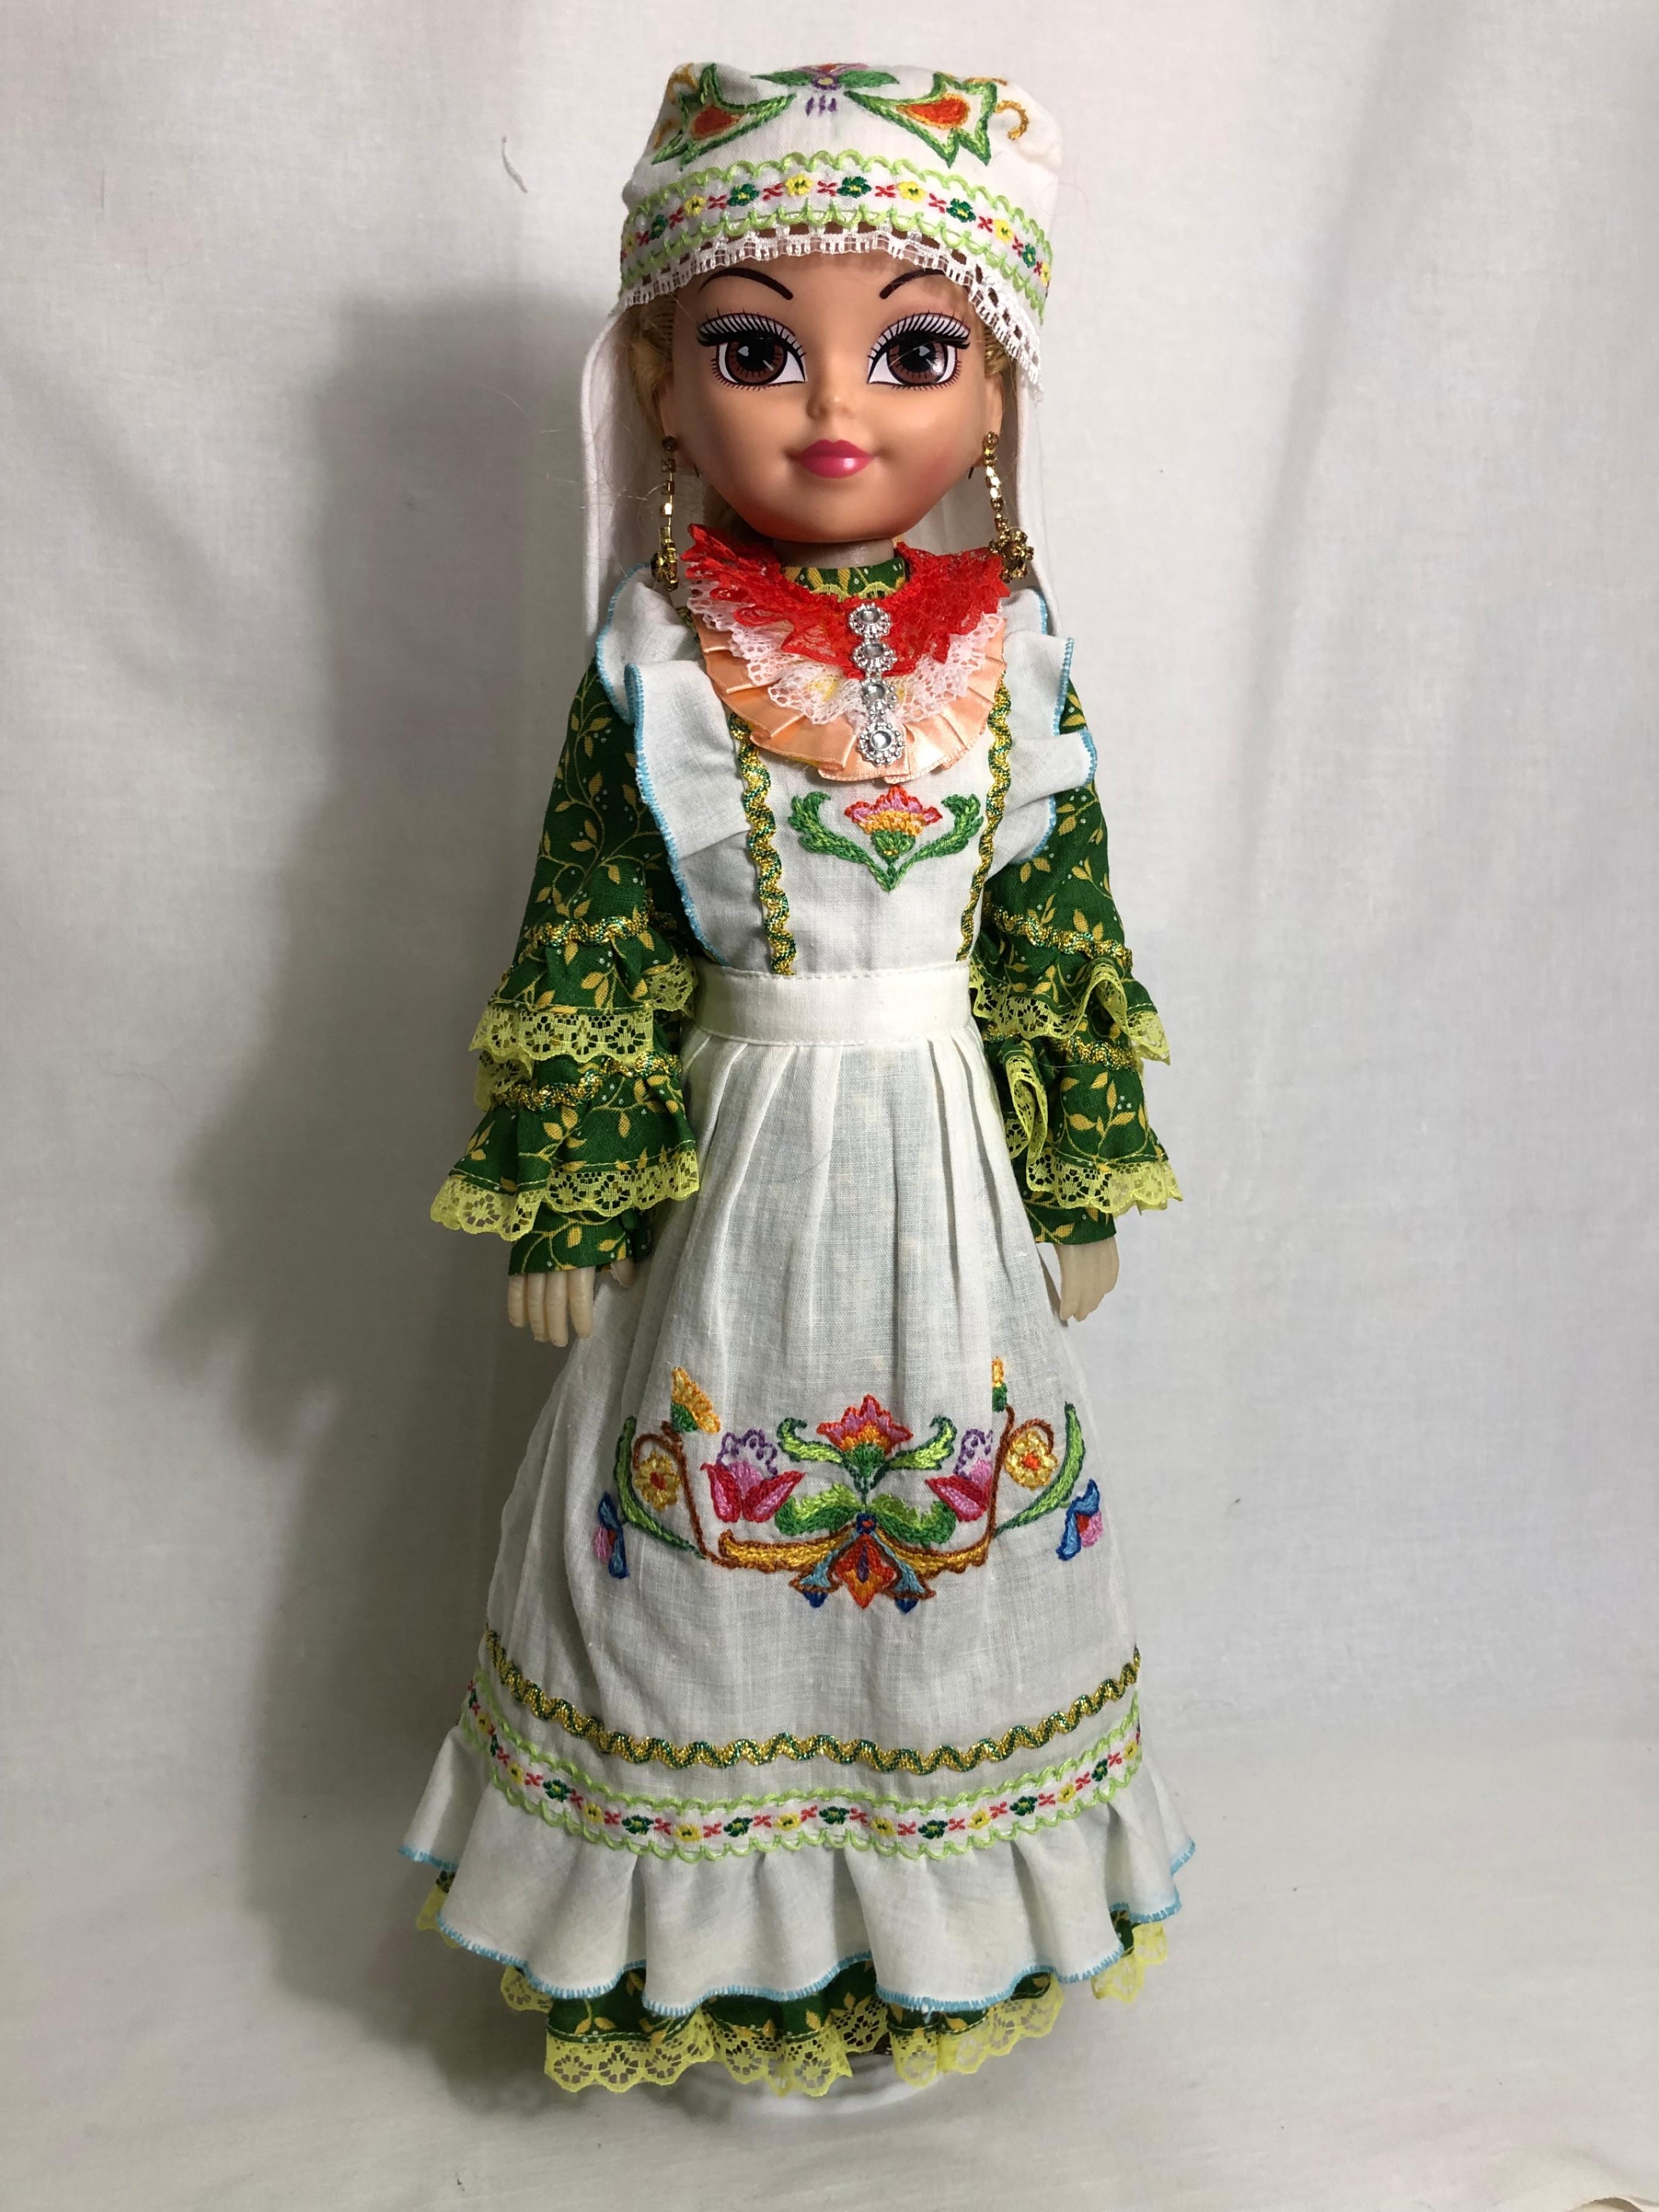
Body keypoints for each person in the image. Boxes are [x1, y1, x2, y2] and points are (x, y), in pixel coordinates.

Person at [404, 61, 1193, 2098]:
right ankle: (710, 1947)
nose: (838, 407)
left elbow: (1057, 931)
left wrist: (1076, 1172)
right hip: (736, 1169)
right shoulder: (658, 659)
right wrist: (574, 1194)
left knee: (953, 1547)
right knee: (686, 1546)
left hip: (946, 1171)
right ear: (662, 387)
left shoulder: (1014, 654)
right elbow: (592, 934)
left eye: (915, 351)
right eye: (759, 350)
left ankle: (927, 1928)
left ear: (996, 397)